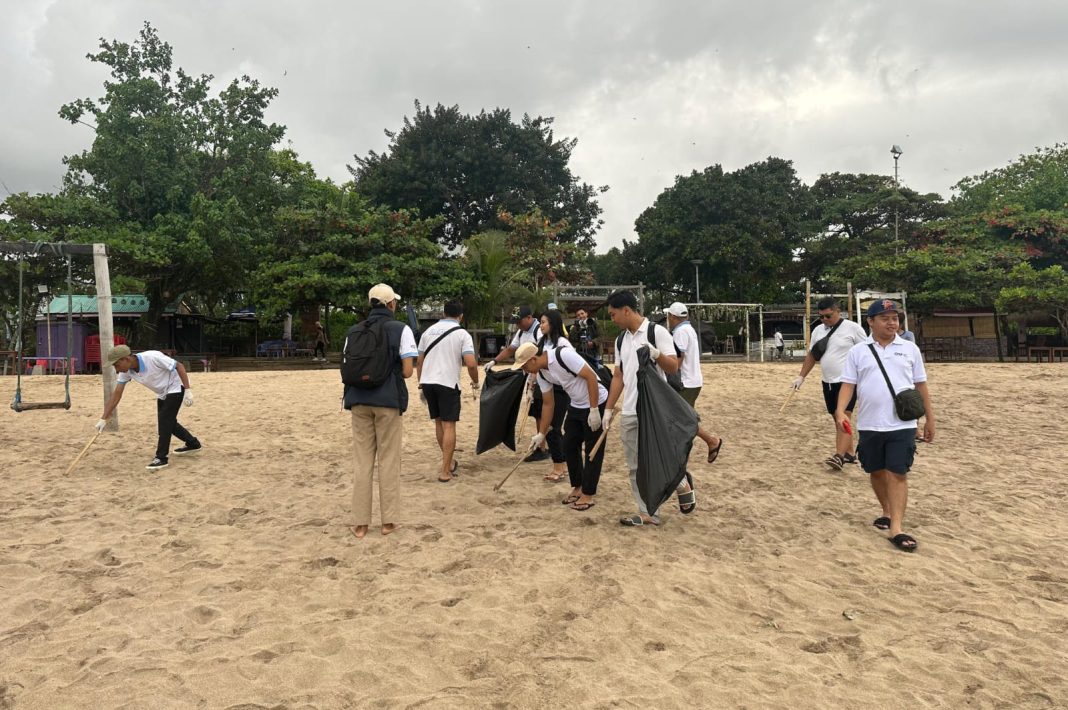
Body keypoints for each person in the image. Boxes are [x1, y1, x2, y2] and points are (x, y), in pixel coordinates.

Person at [836, 299, 935, 552]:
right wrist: (840, 410)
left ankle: (897, 527)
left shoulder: (909, 349)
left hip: (902, 423)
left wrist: (929, 419)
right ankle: (887, 511)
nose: (892, 323)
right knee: (876, 470)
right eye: (885, 318)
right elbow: (849, 384)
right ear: (870, 322)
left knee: (898, 472)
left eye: (895, 318)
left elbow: (920, 385)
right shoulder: (858, 351)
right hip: (870, 423)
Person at [602, 290, 696, 526]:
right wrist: (607, 408)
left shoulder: (657, 332)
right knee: (635, 465)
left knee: (662, 457)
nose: (612, 319)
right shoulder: (621, 339)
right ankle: (647, 512)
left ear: (626, 310)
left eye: (613, 314)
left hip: (654, 409)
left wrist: (656, 354)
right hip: (631, 410)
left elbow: (673, 366)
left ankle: (680, 481)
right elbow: (618, 375)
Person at [343, 284, 418, 538]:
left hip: (358, 400)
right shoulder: (401, 329)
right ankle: (388, 522)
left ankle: (361, 524)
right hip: (387, 401)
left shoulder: (354, 330)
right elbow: (408, 371)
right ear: (391, 304)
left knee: (362, 462)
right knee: (388, 461)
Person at [513, 341, 607, 511]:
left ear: (533, 359)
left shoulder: (563, 355)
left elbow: (591, 377)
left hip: (596, 401)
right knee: (569, 445)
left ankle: (588, 494)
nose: (524, 370)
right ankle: (578, 487)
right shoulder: (541, 374)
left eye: (524, 366)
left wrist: (594, 410)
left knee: (593, 450)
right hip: (576, 405)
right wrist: (541, 434)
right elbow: (548, 404)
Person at [791, 298, 869, 471]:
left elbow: (866, 353)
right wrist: (801, 377)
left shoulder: (853, 328)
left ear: (838, 312)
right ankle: (849, 453)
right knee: (836, 417)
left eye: (828, 316)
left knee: (843, 416)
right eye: (822, 317)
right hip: (827, 381)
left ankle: (839, 456)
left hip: (847, 381)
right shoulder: (818, 330)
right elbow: (813, 355)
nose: (825, 320)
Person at [96, 345, 200, 471]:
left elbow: (179, 366)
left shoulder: (152, 357)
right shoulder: (126, 371)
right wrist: (103, 418)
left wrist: (188, 390)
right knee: (169, 423)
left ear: (126, 359)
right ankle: (193, 443)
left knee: (164, 423)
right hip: (163, 392)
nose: (116, 369)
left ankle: (161, 458)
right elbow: (117, 394)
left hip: (176, 386)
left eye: (116, 365)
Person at [416, 301, 479, 483]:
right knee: (449, 425)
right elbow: (471, 363)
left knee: (438, 422)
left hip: (428, 381)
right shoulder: (462, 334)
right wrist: (475, 381)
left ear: (444, 313)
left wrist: (421, 383)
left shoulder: (428, 332)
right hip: (447, 383)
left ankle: (449, 463)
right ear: (461, 316)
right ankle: (445, 470)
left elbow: (420, 361)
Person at [484, 305, 547, 461]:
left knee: (540, 409)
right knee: (535, 410)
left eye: (520, 321)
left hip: (541, 375)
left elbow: (541, 355)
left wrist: (533, 381)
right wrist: (494, 361)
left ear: (529, 317)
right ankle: (543, 443)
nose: (518, 324)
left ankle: (542, 447)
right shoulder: (521, 332)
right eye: (516, 322)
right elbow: (511, 349)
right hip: (529, 374)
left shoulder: (538, 331)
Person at [665, 303, 723, 464]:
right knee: (683, 417)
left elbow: (678, 358)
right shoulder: (688, 329)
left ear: (673, 317)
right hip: (693, 380)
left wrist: (667, 368)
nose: (668, 319)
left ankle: (711, 440)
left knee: (683, 419)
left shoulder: (680, 332)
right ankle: (689, 447)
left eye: (669, 316)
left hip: (685, 382)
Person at [532, 309, 573, 482]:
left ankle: (559, 465)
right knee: (546, 424)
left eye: (543, 322)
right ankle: (561, 465)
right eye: (540, 322)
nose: (540, 326)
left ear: (553, 324)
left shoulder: (563, 343)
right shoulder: (542, 342)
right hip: (546, 385)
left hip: (562, 388)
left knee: (553, 427)